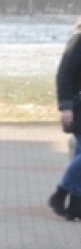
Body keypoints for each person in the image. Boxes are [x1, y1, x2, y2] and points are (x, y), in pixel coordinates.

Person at [49, 18, 81, 220]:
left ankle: (75, 207)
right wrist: (66, 106)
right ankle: (60, 193)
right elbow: (64, 75)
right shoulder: (78, 41)